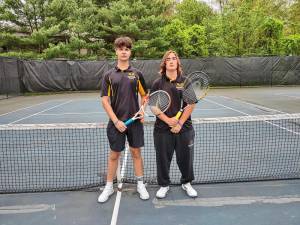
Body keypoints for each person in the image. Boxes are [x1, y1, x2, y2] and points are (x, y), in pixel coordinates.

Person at [98, 36, 149, 203]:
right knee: (114, 155)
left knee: (136, 153)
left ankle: (140, 184)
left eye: (127, 49)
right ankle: (109, 186)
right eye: (121, 49)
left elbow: (145, 96)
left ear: (130, 52)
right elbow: (105, 100)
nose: (124, 52)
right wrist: (116, 121)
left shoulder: (137, 74)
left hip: (134, 123)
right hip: (116, 123)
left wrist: (142, 110)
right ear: (116, 51)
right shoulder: (109, 75)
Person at [151, 50, 198, 199]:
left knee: (186, 158)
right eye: (168, 59)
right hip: (162, 129)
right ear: (164, 63)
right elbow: (153, 106)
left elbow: (191, 104)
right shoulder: (158, 83)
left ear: (178, 62)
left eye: (174, 58)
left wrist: (179, 123)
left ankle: (186, 182)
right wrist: (168, 120)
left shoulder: (185, 81)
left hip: (184, 129)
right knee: (163, 158)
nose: (171, 61)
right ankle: (164, 185)